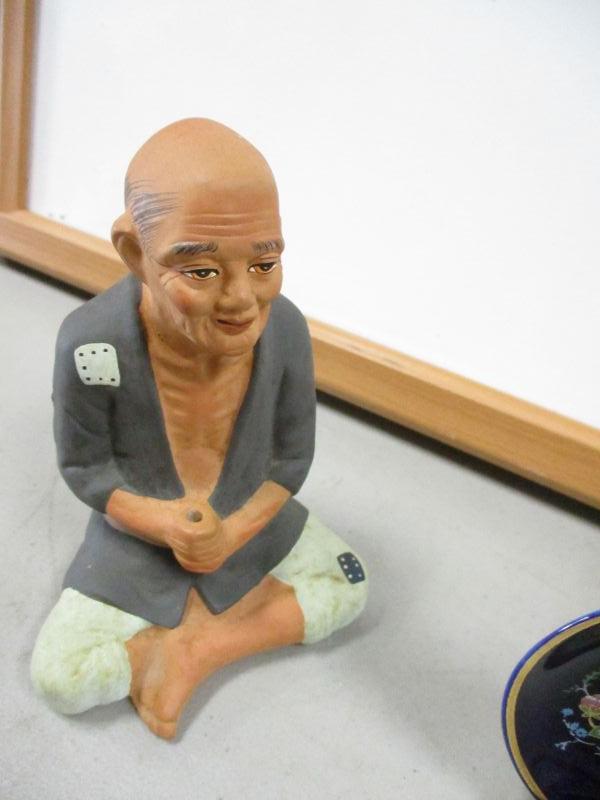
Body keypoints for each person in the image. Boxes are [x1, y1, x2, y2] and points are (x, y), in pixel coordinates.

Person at [30, 118, 368, 740]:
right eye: (202, 272)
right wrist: (163, 524)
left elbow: (289, 462)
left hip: (250, 519)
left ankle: (197, 649)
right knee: (63, 678)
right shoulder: (92, 344)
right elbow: (87, 469)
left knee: (349, 582)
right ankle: (211, 623)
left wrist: (230, 532)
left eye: (264, 264)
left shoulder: (285, 331)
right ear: (135, 252)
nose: (241, 299)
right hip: (138, 535)